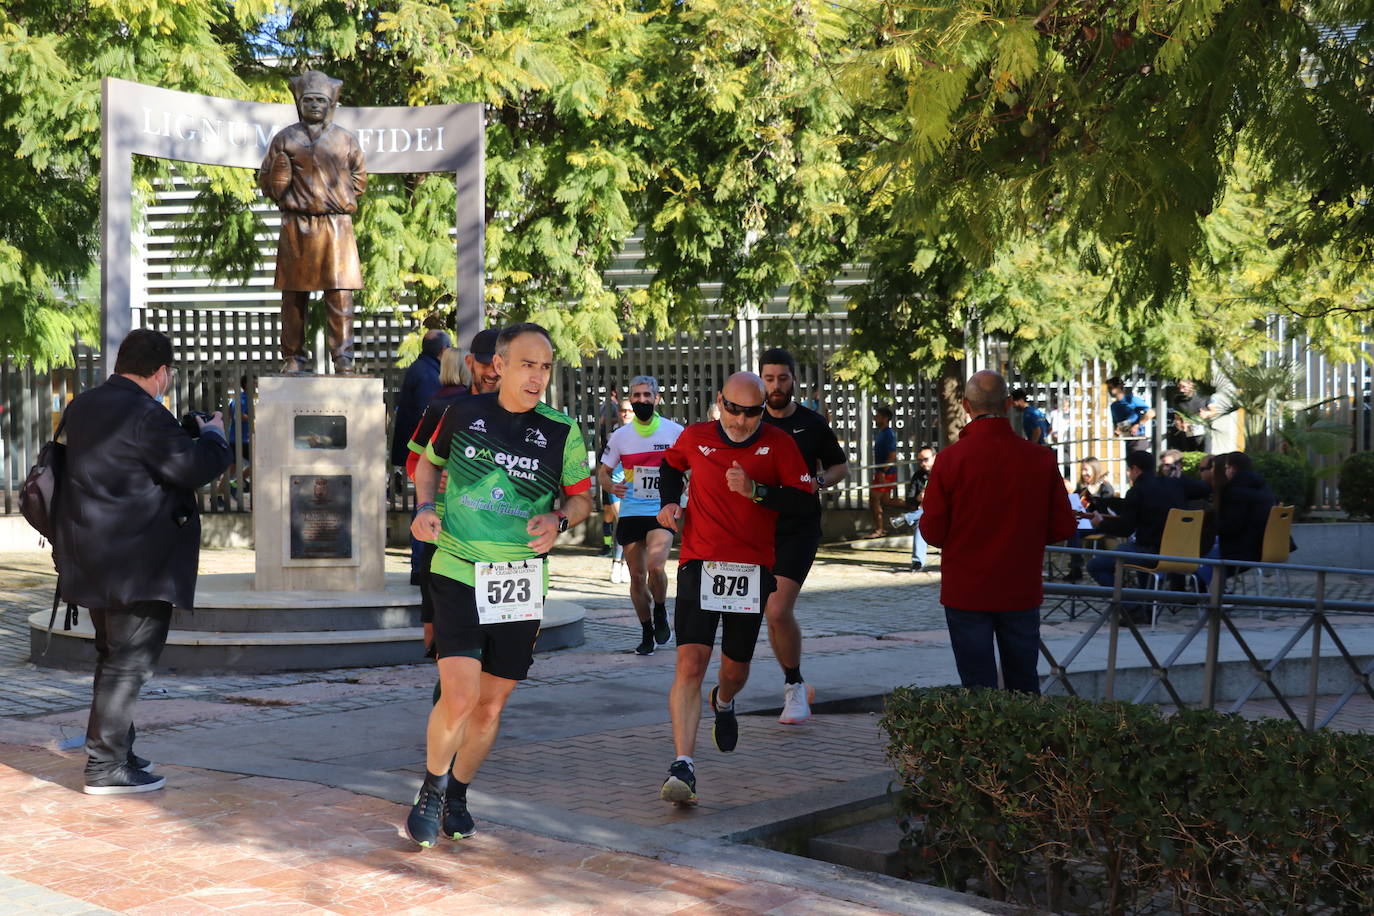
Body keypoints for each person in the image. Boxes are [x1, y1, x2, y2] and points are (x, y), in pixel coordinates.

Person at [406, 323, 594, 846]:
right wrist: (424, 508)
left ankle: (458, 792)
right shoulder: (461, 414)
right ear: (501, 366)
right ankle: (431, 787)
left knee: (490, 705)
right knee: (461, 696)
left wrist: (560, 520)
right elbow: (426, 465)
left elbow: (581, 498)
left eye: (546, 367)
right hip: (458, 566)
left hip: (518, 579)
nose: (537, 376)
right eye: (528, 364)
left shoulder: (562, 431)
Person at [51, 329, 232, 794]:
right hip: (138, 562)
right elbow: (191, 468)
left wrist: (182, 432)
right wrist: (213, 435)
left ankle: (117, 750)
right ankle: (105, 766)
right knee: (128, 664)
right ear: (162, 373)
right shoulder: (146, 413)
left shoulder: (85, 405)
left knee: (112, 657)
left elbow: (131, 462)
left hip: (90, 553)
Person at [655, 372, 814, 805]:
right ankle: (683, 765)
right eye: (733, 409)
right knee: (690, 662)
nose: (741, 421)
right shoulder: (695, 436)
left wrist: (757, 491)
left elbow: (805, 501)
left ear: (764, 409)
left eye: (752, 412)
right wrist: (668, 502)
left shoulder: (779, 444)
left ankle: (723, 701)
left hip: (751, 567)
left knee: (734, 671)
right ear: (719, 402)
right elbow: (670, 466)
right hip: (699, 562)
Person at [919, 371, 1076, 693]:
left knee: (977, 687)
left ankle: (982, 742)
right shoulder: (1040, 458)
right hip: (1020, 585)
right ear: (1008, 404)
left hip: (967, 588)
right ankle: (1029, 742)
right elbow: (1063, 526)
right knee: (1023, 683)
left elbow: (932, 532)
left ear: (965, 405)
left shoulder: (949, 460)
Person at [759, 348, 849, 724]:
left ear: (794, 379)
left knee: (779, 609)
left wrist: (818, 482)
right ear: (760, 380)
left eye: (782, 378)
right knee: (770, 615)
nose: (776, 386)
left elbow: (840, 466)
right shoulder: (751, 421)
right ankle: (793, 682)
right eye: (769, 378)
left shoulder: (812, 424)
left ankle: (794, 688)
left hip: (799, 527)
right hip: (758, 528)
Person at [258, 70, 367, 374]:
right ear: (299, 103)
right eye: (309, 100)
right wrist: (282, 186)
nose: (315, 105)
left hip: (336, 226)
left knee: (340, 295)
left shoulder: (345, 139)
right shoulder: (285, 138)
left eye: (320, 100)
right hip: (296, 225)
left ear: (330, 102)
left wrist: (337, 198)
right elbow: (266, 179)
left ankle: (343, 357)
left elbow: (360, 179)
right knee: (293, 298)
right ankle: (293, 356)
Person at [597, 376, 684, 655]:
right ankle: (646, 630)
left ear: (657, 398)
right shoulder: (621, 436)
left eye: (647, 395)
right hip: (632, 510)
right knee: (636, 576)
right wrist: (610, 485)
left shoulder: (674, 432)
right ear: (631, 400)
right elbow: (603, 473)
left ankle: (660, 609)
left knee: (656, 567)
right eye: (637, 395)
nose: (642, 400)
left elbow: (692, 467)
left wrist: (687, 492)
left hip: (661, 509)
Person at [404, 347, 473, 654]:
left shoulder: (521, 411)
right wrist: (434, 475)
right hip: (443, 529)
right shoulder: (442, 406)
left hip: (497, 536)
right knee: (435, 611)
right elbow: (413, 462)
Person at [1086, 451, 1210, 610]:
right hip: (1182, 553)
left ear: (1136, 469)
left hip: (1151, 553)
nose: (1128, 474)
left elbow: (1125, 529)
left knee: (1096, 565)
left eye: (1129, 470)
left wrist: (1100, 524)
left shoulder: (1137, 491)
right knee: (1137, 548)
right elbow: (1205, 489)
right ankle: (1146, 607)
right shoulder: (1176, 484)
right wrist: (1181, 476)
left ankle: (1131, 606)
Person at [394, 329, 453, 585]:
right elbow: (429, 422)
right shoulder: (431, 375)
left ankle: (420, 566)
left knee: (423, 505)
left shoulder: (419, 368)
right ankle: (421, 567)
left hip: (413, 452)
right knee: (425, 506)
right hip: (424, 456)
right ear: (443, 350)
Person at [392, 329, 452, 469]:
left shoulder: (422, 367)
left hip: (414, 445)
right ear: (443, 350)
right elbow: (428, 415)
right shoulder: (428, 374)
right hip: (421, 448)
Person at [895, 445, 937, 571]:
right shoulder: (918, 476)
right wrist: (918, 498)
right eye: (920, 460)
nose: (923, 463)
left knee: (923, 515)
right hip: (925, 513)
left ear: (935, 457)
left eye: (926, 459)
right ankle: (917, 562)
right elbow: (909, 500)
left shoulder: (944, 472)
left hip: (944, 512)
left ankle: (906, 518)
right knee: (921, 523)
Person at [869, 405, 902, 537]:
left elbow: (892, 454)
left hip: (885, 473)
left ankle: (879, 530)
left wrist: (883, 471)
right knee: (886, 501)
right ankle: (912, 505)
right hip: (883, 472)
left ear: (885, 418)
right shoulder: (882, 433)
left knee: (873, 499)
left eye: (877, 416)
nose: (875, 418)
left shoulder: (888, 434)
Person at [1106, 377, 1155, 458]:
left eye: (1111, 388)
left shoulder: (1132, 400)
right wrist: (1117, 431)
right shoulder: (1113, 406)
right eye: (1108, 388)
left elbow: (1151, 413)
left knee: (1138, 465)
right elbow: (1117, 426)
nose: (1109, 391)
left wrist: (1137, 425)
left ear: (1119, 387)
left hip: (1138, 438)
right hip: (1127, 440)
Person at [1168, 378, 1214, 452]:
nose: (1181, 390)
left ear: (1191, 385)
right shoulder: (1178, 399)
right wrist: (1180, 425)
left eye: (1184, 387)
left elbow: (1214, 412)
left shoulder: (1203, 397)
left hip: (1204, 432)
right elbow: (1177, 416)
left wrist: (1207, 413)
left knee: (1205, 455)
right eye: (1179, 387)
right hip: (1188, 431)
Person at [464, 327, 502, 395]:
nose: (492, 374)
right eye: (485, 364)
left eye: (499, 366)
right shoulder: (453, 405)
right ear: (469, 362)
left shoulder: (521, 404)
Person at [597, 385, 620, 456]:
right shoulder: (610, 404)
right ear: (613, 392)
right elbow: (603, 421)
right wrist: (619, 419)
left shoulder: (612, 404)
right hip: (607, 434)